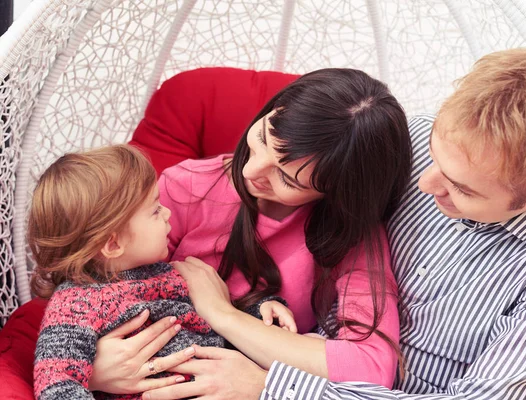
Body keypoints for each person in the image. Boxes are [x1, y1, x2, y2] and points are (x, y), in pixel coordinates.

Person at [87, 48, 526, 400]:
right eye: (434, 156)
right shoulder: (408, 142)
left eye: (461, 189)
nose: (423, 185)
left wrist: (270, 385)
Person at [85, 67, 414, 396]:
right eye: (262, 139)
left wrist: (221, 312)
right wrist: (92, 370)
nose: (250, 170)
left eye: (287, 179)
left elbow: (371, 369)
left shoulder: (351, 235)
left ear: (336, 193)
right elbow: (99, 297)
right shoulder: (186, 187)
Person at [29, 145, 296, 400]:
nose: (168, 213)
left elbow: (219, 316)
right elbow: (56, 383)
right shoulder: (75, 305)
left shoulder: (172, 274)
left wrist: (262, 308)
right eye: (155, 210)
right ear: (113, 244)